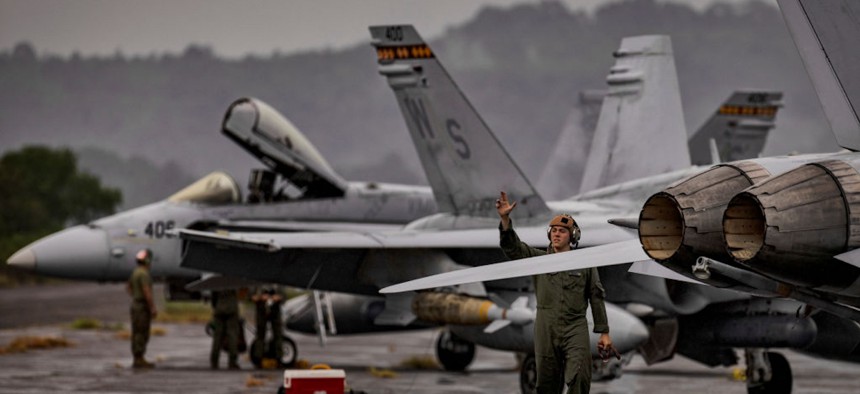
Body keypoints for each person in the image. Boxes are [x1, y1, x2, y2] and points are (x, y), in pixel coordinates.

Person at [495, 191, 616, 394]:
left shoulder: (585, 263)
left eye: (562, 230)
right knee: (546, 385)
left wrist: (604, 333)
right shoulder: (538, 259)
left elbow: (596, 296)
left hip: (575, 327)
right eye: (554, 230)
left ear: (573, 236)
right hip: (546, 328)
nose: (557, 234)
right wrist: (505, 219)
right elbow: (513, 248)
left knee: (579, 377)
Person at [127, 248, 157, 369]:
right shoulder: (144, 274)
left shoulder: (135, 272)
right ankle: (139, 358)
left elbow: (128, 287)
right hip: (142, 306)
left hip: (135, 304)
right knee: (142, 332)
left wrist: (135, 296)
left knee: (136, 332)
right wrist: (152, 307)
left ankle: (137, 358)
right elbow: (147, 291)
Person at [251, 288, 285, 367]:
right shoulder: (256, 284)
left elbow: (283, 296)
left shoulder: (277, 283)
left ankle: (279, 358)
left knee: (278, 335)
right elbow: (251, 296)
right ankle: (258, 359)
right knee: (260, 336)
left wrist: (277, 297)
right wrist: (260, 297)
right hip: (261, 311)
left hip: (275, 311)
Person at [210, 289, 241, 369]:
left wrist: (216, 306)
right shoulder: (234, 279)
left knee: (217, 336)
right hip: (232, 308)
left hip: (219, 307)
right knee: (232, 335)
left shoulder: (217, 280)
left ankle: (214, 361)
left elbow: (213, 295)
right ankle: (232, 362)